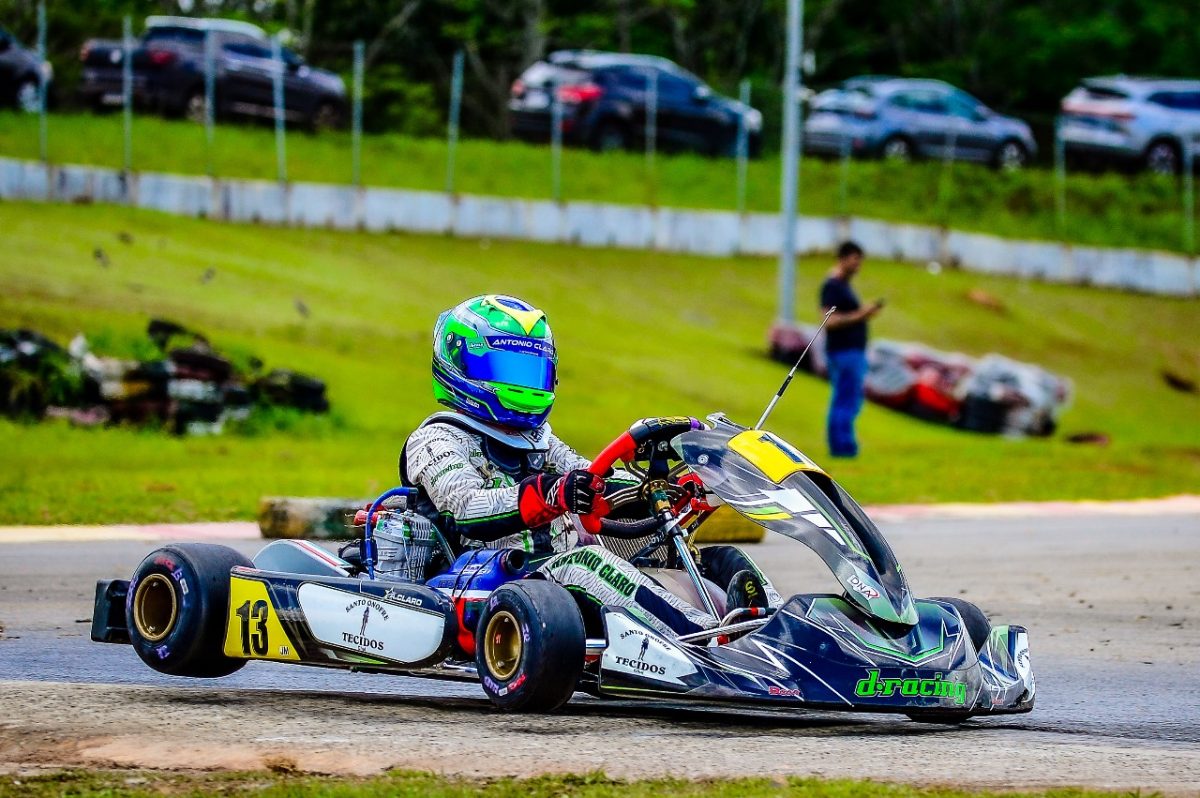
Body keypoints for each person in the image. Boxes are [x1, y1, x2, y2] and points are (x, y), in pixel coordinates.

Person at [399, 294, 781, 638]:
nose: (525, 385)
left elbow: (595, 479)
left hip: (550, 582)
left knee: (713, 558)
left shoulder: (539, 441)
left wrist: (659, 491)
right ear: (461, 366)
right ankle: (708, 638)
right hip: (484, 581)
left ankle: (779, 626)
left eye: (533, 373)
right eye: (509, 371)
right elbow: (468, 508)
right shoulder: (436, 439)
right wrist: (551, 493)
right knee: (587, 563)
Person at [819, 241, 883, 458]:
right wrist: (862, 314)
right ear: (843, 258)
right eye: (855, 259)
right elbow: (829, 320)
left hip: (850, 352)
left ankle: (844, 445)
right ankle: (842, 447)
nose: (858, 265)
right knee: (846, 400)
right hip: (844, 352)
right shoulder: (833, 286)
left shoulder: (843, 286)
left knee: (848, 399)